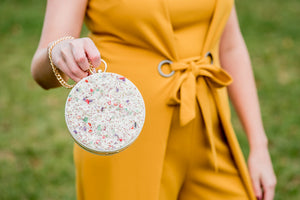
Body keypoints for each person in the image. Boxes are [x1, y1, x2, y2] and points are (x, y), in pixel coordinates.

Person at [31, 0, 276, 199]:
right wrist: (59, 52)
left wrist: (259, 146)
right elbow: (40, 70)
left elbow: (230, 45)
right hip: (123, 135)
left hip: (209, 131)